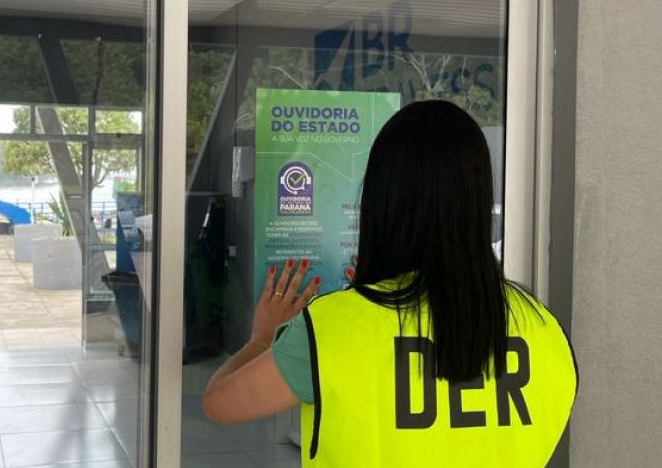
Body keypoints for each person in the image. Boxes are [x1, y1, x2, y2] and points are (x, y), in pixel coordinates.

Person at [203, 100, 577, 467]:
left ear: (383, 201)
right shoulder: (544, 330)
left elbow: (220, 403)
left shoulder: (331, 328)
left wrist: (262, 338)